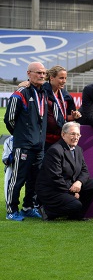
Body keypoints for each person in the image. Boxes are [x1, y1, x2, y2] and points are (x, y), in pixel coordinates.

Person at [4, 61, 47, 221]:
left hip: (39, 145)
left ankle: (28, 207)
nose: (42, 76)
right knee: (18, 178)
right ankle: (11, 211)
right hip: (23, 145)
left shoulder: (43, 92)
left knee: (35, 179)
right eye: (38, 73)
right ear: (29, 74)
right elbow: (9, 119)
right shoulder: (21, 92)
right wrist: (22, 135)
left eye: (44, 73)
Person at [35, 122, 93, 221]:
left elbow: (84, 171)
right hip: (53, 190)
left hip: (69, 185)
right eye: (73, 134)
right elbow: (55, 178)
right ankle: (47, 211)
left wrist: (79, 182)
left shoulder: (78, 149)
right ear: (63, 134)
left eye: (78, 134)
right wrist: (72, 193)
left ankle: (77, 216)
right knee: (76, 204)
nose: (76, 137)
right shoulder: (55, 150)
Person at [19, 65, 80, 149]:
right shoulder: (41, 91)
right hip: (42, 139)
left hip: (60, 139)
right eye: (61, 78)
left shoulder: (66, 96)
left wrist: (73, 116)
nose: (64, 81)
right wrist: (26, 83)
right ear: (51, 78)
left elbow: (65, 117)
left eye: (65, 78)